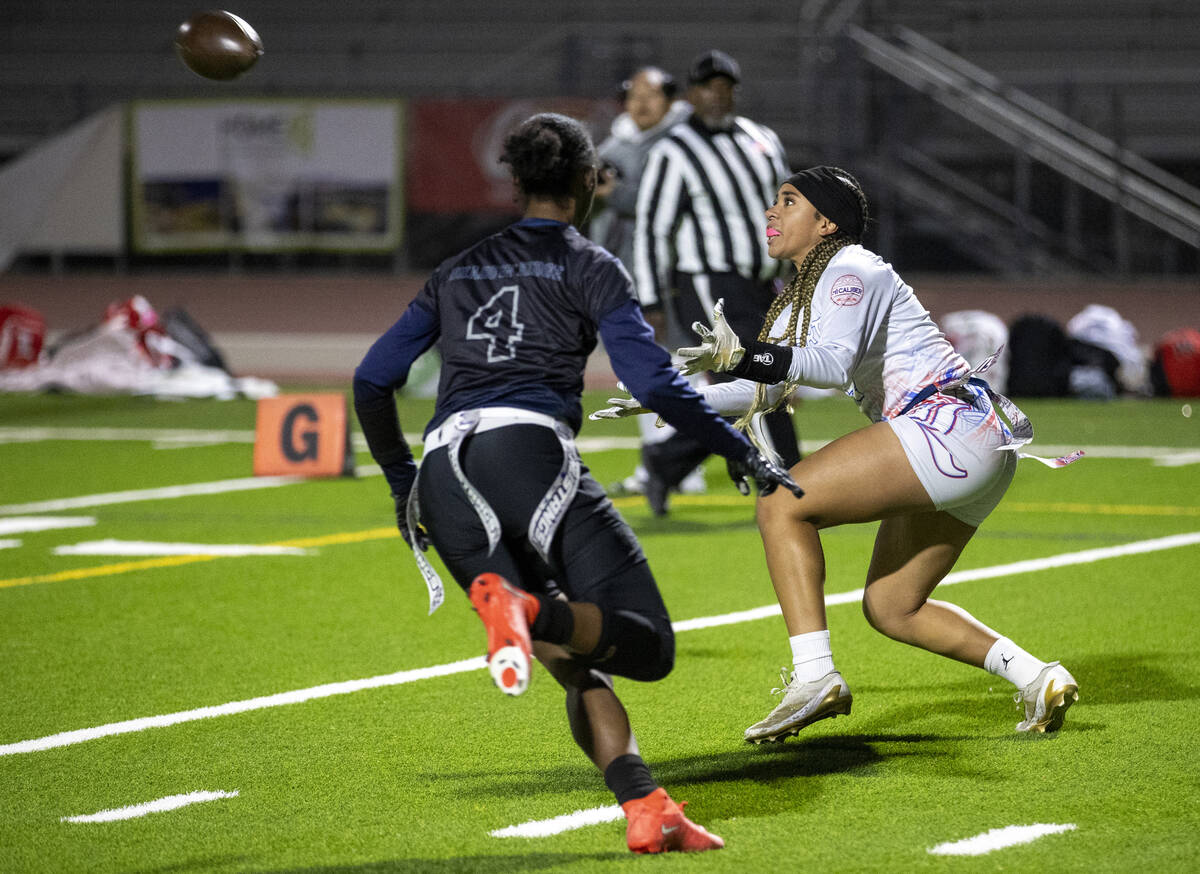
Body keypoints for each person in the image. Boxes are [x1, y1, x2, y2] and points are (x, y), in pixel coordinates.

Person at [352, 113, 802, 853]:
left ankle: (645, 804)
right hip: (523, 452)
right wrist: (739, 447)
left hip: (442, 468)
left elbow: (373, 379)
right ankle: (526, 607)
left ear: (519, 182)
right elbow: (652, 383)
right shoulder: (590, 263)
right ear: (589, 182)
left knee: (571, 659)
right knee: (647, 645)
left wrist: (406, 484)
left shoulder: (456, 268)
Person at [600, 166, 1082, 742]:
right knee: (892, 606)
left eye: (789, 201)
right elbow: (772, 386)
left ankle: (814, 677)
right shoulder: (810, 285)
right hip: (973, 436)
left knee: (781, 503)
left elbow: (827, 365)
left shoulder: (848, 266)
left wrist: (744, 356)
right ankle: (1037, 678)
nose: (771, 214)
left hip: (945, 426)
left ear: (826, 221)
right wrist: (679, 400)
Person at [630, 49, 800, 516]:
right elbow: (652, 230)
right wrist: (650, 300)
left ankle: (667, 461)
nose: (717, 96)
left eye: (725, 87)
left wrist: (796, 267)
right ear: (691, 93)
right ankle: (790, 481)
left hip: (762, 284)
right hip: (709, 285)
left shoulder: (761, 139)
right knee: (759, 378)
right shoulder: (674, 150)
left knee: (760, 382)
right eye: (707, 87)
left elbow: (785, 208)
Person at [587, 65, 704, 500]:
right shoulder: (615, 143)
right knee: (637, 371)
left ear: (671, 99)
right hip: (621, 273)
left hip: (671, 272)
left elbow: (658, 203)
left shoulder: (682, 141)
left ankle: (683, 464)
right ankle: (657, 462)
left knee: (682, 363)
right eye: (633, 94)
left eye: (650, 94)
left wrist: (610, 193)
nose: (640, 103)